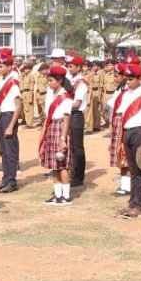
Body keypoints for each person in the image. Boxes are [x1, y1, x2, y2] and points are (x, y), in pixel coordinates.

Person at [116, 62, 141, 219]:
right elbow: (121, 118)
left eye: (131, 79)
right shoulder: (125, 94)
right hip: (127, 132)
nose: (128, 82)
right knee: (132, 170)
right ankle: (132, 203)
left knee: (139, 170)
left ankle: (139, 206)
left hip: (140, 132)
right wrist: (119, 141)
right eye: (127, 79)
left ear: (140, 78)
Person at [39, 65, 75, 205]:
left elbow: (66, 119)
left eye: (51, 80)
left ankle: (66, 196)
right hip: (52, 127)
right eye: (48, 80)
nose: (49, 83)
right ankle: (57, 195)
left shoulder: (65, 97)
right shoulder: (52, 94)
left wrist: (63, 139)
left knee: (63, 164)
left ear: (60, 80)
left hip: (60, 129)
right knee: (54, 165)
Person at [0, 52, 22, 193]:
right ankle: (5, 179)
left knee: (10, 151)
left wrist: (10, 126)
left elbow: (18, 107)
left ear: (9, 67)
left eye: (1, 66)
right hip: (0, 116)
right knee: (3, 151)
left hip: (9, 117)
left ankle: (12, 182)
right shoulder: (1, 81)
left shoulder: (13, 83)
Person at [106, 60, 135, 197]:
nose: (115, 78)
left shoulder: (127, 91)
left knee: (125, 155)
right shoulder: (120, 89)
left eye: (117, 76)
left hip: (123, 123)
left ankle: (128, 187)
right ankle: (124, 186)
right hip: (117, 122)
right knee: (120, 156)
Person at [64, 52, 88, 187]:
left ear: (78, 67)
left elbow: (77, 104)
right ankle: (72, 172)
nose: (69, 69)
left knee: (77, 147)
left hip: (76, 116)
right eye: (68, 66)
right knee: (70, 145)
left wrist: (62, 105)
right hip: (69, 115)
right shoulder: (70, 81)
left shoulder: (81, 83)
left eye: (71, 66)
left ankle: (78, 177)